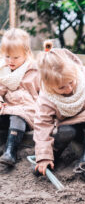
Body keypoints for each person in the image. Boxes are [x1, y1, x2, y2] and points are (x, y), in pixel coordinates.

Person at [34, 40, 85, 175]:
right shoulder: (46, 98)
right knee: (67, 132)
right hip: (67, 121)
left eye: (71, 82)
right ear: (49, 86)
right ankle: (53, 156)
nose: (68, 89)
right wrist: (43, 156)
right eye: (61, 87)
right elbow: (42, 125)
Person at [0, 28, 40, 166]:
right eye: (7, 56)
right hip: (6, 110)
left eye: (16, 57)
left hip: (26, 112)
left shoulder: (34, 69)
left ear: (27, 53)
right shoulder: (2, 70)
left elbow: (44, 92)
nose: (10, 61)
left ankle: (10, 151)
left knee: (17, 115)